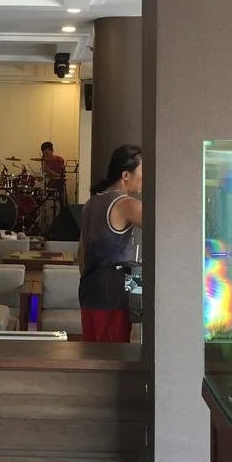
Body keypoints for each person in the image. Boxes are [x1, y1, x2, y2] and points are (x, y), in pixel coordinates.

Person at [77, 144, 143, 343]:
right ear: (125, 175)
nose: (145, 178)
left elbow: (81, 254)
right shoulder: (126, 204)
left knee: (93, 352)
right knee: (113, 354)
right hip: (112, 290)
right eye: (142, 172)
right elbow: (167, 230)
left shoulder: (90, 203)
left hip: (89, 288)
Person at [40, 141, 67, 206]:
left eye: (47, 153)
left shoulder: (59, 160)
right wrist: (41, 177)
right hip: (49, 183)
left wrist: (49, 171)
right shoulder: (44, 160)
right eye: (44, 154)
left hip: (58, 183)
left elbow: (60, 176)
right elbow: (45, 175)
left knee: (57, 183)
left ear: (52, 151)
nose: (46, 155)